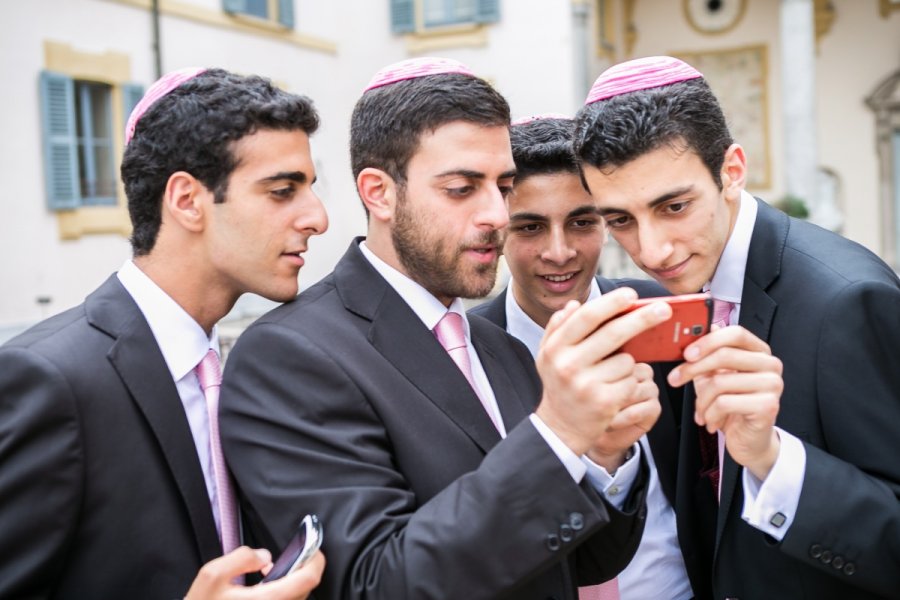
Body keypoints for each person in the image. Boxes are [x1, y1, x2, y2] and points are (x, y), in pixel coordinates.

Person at [219, 57, 675, 600]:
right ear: (379, 193)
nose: (497, 215)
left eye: (503, 187)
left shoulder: (499, 347)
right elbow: (373, 585)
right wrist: (557, 434)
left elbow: (587, 562)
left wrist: (606, 453)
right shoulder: (288, 354)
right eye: (462, 188)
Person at [573, 55, 900, 600]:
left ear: (732, 170)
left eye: (674, 206)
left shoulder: (847, 299)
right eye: (620, 222)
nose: (652, 251)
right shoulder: (682, 293)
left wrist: (772, 458)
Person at [0, 67, 327, 599]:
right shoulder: (50, 379)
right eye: (282, 191)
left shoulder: (244, 368)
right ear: (187, 200)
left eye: (310, 189)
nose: (317, 217)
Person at [470, 114, 696, 600]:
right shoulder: (464, 348)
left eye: (581, 222)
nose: (560, 251)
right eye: (530, 227)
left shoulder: (660, 312)